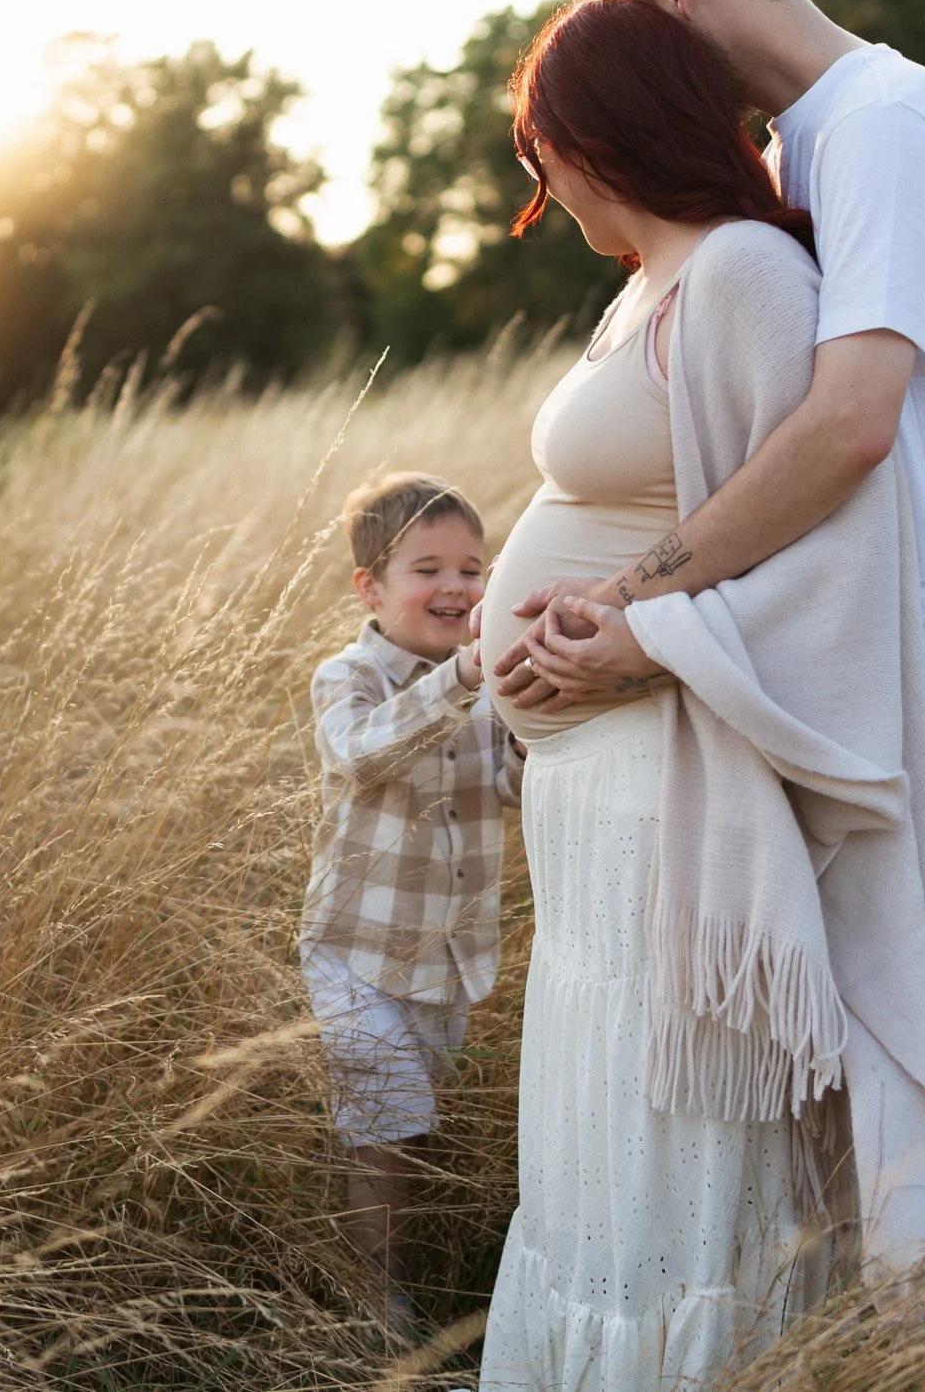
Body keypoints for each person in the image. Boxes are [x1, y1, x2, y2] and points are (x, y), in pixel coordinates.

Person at [475, 0, 925, 1392]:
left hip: (664, 779)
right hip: (592, 794)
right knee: (599, 1140)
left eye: (537, 157)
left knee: (667, 1150)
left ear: (583, 136)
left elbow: (833, 545)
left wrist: (642, 635)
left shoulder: (744, 272)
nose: (540, 193)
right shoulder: (648, 288)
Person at [303, 472, 523, 1338]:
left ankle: (397, 1262)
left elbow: (507, 783)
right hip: (355, 951)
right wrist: (465, 676)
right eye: (427, 568)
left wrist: (535, 731)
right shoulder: (349, 676)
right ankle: (377, 1297)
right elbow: (361, 754)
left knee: (408, 1125)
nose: (456, 588)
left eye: (473, 569)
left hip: (447, 956)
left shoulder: (485, 681)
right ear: (372, 587)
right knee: (386, 1123)